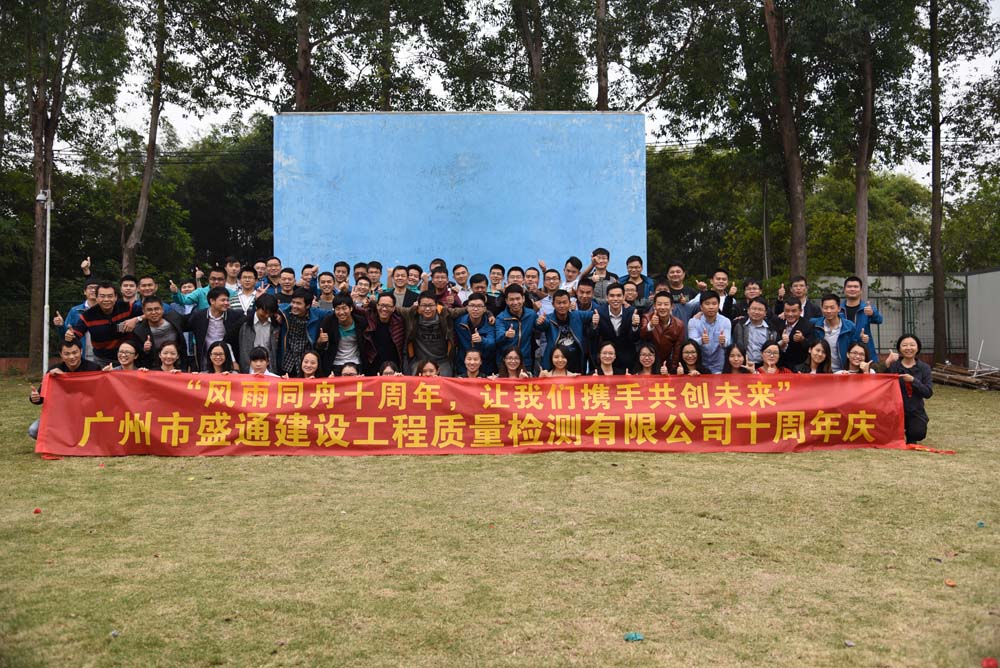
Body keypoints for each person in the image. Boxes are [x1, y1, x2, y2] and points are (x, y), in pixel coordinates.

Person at [27, 340, 104, 438]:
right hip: (61, 415)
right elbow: (41, 397)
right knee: (33, 430)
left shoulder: (93, 368)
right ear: (61, 355)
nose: (71, 357)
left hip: (86, 414)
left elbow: (99, 395)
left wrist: (65, 379)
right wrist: (34, 397)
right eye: (67, 354)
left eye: (74, 352)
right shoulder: (54, 371)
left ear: (81, 351)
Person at [68, 281, 142, 366]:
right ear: (96, 298)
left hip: (127, 357)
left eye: (110, 296)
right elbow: (76, 335)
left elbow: (148, 314)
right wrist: (70, 335)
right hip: (102, 360)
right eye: (102, 296)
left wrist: (136, 319)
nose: (106, 299)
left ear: (115, 297)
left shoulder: (126, 307)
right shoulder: (88, 315)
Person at [881, 334, 933, 443]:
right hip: (894, 411)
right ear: (899, 348)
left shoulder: (924, 368)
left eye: (912, 345)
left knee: (917, 433)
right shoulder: (894, 366)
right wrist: (887, 364)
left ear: (918, 348)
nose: (908, 348)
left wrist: (913, 381)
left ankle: (910, 432)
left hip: (915, 411)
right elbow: (882, 385)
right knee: (886, 433)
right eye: (904, 345)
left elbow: (928, 392)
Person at [186, 286, 244, 371]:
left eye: (227, 300)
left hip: (227, 358)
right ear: (212, 301)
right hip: (206, 358)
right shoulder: (199, 316)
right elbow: (184, 324)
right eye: (223, 300)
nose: (226, 303)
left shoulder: (234, 316)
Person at [536, 289, 593, 374]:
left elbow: (595, 313)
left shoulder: (577, 315)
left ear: (569, 303)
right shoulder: (548, 319)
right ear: (553, 304)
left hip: (576, 363)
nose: (562, 306)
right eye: (559, 303)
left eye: (564, 302)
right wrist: (539, 322)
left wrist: (596, 317)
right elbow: (540, 326)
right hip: (555, 364)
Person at [590, 283, 640, 372]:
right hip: (606, 358)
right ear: (607, 298)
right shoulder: (599, 312)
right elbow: (593, 337)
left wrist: (635, 326)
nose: (615, 299)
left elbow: (635, 339)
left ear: (624, 297)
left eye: (619, 295)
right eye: (612, 296)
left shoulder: (631, 312)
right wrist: (594, 325)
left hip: (627, 359)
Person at [318, 294, 371, 376]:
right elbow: (320, 347)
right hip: (335, 364)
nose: (341, 312)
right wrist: (320, 342)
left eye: (344, 308)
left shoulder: (360, 322)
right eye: (337, 309)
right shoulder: (328, 322)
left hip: (356, 363)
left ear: (351, 308)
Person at [277, 287, 325, 377]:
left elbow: (335, 313)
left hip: (306, 364)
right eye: (293, 302)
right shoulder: (284, 311)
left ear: (308, 306)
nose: (294, 306)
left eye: (298, 303)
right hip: (287, 362)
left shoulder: (317, 314)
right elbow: (267, 306)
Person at [131, 295, 187, 371]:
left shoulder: (174, 318)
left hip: (178, 366)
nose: (153, 312)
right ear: (143, 311)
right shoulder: (139, 331)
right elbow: (137, 357)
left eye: (156, 309)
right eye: (149, 310)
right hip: (153, 370)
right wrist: (145, 350)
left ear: (162, 309)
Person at [494, 284, 539, 374]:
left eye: (518, 299)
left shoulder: (531, 314)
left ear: (523, 298)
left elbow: (541, 328)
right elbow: (498, 337)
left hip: (525, 361)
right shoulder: (501, 317)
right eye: (511, 299)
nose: (515, 302)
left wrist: (543, 322)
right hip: (505, 363)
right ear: (506, 301)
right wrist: (506, 335)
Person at [639, 291, 685, 373]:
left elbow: (677, 351)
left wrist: (673, 370)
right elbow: (642, 335)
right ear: (654, 306)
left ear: (672, 306)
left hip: (666, 364)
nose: (662, 307)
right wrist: (651, 325)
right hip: (648, 362)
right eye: (659, 304)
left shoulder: (679, 325)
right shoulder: (647, 318)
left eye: (666, 304)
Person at [811, 294, 858, 372]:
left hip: (842, 371)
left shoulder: (849, 326)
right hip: (822, 371)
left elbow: (855, 347)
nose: (829, 311)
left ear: (839, 309)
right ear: (822, 308)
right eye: (826, 308)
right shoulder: (815, 324)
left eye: (832, 308)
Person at [686, 291, 731, 374]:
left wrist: (723, 341)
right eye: (707, 304)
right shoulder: (693, 322)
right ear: (701, 307)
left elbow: (728, 343)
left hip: (719, 366)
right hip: (700, 366)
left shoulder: (725, 321)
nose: (711, 307)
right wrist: (701, 340)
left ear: (718, 305)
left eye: (714, 304)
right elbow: (691, 344)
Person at [453, 293, 496, 376]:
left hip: (485, 366)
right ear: (467, 308)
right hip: (463, 366)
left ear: (484, 309)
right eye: (472, 306)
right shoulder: (459, 322)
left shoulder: (490, 322)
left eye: (479, 306)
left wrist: (481, 340)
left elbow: (492, 343)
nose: (475, 309)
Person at [363, 292, 407, 373]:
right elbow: (354, 309)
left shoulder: (400, 322)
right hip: (372, 365)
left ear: (394, 308)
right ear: (377, 306)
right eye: (382, 305)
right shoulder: (369, 318)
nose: (384, 309)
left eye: (388, 306)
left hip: (394, 368)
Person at [841, 275, 883, 360]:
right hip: (844, 352)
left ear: (861, 290)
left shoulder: (867, 308)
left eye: (856, 287)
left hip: (864, 351)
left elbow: (879, 320)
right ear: (844, 289)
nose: (852, 289)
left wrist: (873, 313)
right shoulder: (838, 309)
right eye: (849, 286)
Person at [731, 297, 779, 366]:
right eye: (754, 309)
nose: (756, 312)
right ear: (748, 310)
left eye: (760, 309)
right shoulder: (739, 325)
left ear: (765, 313)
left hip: (764, 366)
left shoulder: (771, 329)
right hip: (743, 365)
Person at [776, 300, 814, 370]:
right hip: (778, 364)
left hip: (797, 366)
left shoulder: (807, 325)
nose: (790, 314)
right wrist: (782, 342)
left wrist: (802, 340)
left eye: (794, 311)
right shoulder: (778, 321)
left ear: (800, 311)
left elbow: (811, 345)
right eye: (787, 311)